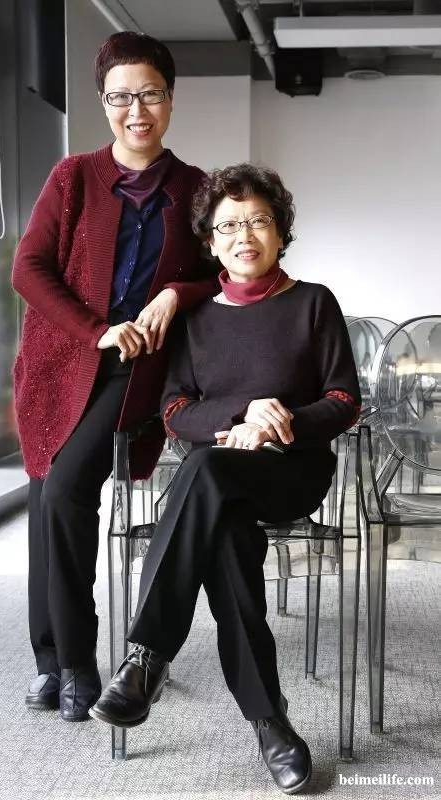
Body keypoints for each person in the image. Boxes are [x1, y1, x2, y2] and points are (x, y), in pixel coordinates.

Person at [90, 164, 361, 794]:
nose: (245, 235)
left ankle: (147, 657)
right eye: (229, 225)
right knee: (228, 537)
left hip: (291, 471)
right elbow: (176, 412)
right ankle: (271, 723)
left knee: (206, 469)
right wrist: (241, 414)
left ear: (281, 232)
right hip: (218, 481)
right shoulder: (197, 319)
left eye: (259, 220)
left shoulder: (313, 302)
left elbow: (345, 400)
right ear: (210, 242)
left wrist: (281, 421)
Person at [11, 32, 218, 722]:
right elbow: (28, 269)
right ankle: (48, 660)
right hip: (61, 363)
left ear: (170, 99)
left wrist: (175, 294)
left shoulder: (195, 189)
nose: (136, 110)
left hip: (138, 372)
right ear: (104, 104)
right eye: (121, 97)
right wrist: (93, 329)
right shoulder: (72, 177)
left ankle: (76, 661)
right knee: (45, 496)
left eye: (150, 94)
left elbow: (222, 273)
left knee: (67, 487)